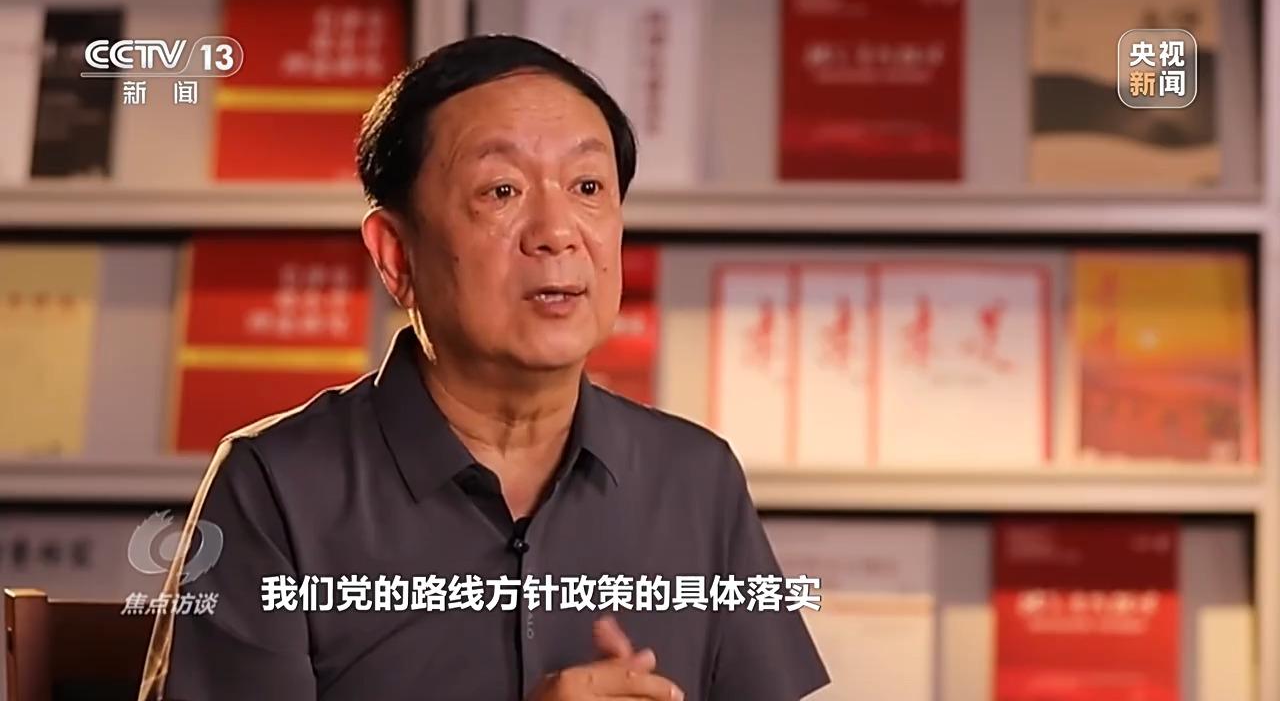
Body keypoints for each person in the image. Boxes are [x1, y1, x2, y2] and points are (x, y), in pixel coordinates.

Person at [137, 34, 829, 701]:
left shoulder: (696, 478)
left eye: (588, 185)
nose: (557, 233)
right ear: (396, 256)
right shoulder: (274, 486)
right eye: (501, 191)